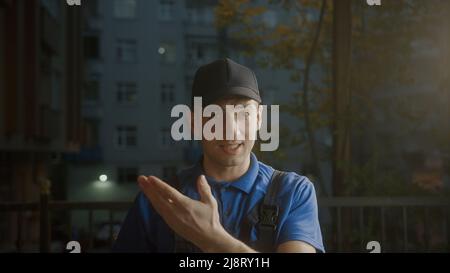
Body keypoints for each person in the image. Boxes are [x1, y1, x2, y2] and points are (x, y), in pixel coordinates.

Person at [113, 58, 324, 253]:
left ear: (259, 118)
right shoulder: (158, 202)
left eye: (243, 114)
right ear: (194, 122)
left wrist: (213, 240)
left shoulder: (293, 192)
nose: (231, 130)